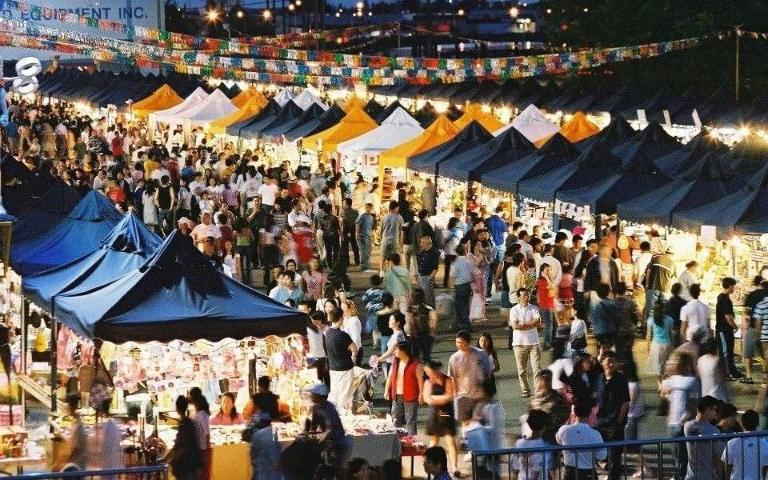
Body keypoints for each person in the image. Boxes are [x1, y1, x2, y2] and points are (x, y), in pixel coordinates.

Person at [661, 351, 699, 480]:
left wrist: (685, 419)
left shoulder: (692, 381)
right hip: (672, 423)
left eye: (675, 361)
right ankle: (679, 474)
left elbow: (694, 404)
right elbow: (668, 399)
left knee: (683, 455)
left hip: (683, 424)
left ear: (683, 364)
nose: (671, 364)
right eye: (670, 361)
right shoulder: (669, 380)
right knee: (676, 453)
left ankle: (681, 476)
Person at [595, 351, 630, 480]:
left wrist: (620, 419)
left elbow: (626, 401)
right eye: (608, 361)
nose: (611, 364)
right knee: (596, 453)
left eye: (613, 361)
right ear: (602, 362)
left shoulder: (621, 379)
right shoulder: (598, 378)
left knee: (615, 457)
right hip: (599, 422)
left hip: (614, 423)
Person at [448, 331, 492, 428]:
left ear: (468, 342)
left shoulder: (481, 354)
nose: (458, 345)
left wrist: (487, 391)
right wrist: (456, 395)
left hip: (480, 395)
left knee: (479, 422)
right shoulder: (454, 358)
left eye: (461, 342)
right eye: (457, 342)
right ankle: (467, 442)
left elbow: (488, 373)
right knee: (465, 423)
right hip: (463, 396)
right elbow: (453, 378)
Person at [423, 360, 458, 476]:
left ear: (435, 370)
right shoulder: (428, 382)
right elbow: (426, 398)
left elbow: (449, 396)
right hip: (434, 413)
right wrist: (440, 399)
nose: (428, 374)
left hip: (445, 412)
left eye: (429, 372)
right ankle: (429, 463)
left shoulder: (447, 379)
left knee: (450, 440)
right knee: (434, 440)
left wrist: (434, 399)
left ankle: (454, 467)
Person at [556, 402, 607, 480]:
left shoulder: (564, 430)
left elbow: (558, 441)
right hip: (588, 473)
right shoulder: (595, 434)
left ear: (574, 413)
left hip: (570, 473)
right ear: (589, 414)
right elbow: (602, 456)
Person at [384, 341, 424, 434]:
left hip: (410, 395)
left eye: (396, 350)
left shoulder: (416, 364)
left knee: (410, 420)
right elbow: (389, 376)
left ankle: (412, 442)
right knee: (395, 420)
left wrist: (421, 394)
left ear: (404, 351)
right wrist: (386, 390)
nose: (394, 352)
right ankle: (397, 441)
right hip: (396, 395)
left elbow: (420, 380)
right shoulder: (395, 361)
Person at [509, 288, 542, 398]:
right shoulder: (514, 310)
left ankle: (538, 390)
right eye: (523, 296)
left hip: (533, 342)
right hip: (519, 343)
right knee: (522, 369)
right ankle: (525, 390)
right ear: (519, 297)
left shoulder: (534, 308)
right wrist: (530, 324)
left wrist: (524, 324)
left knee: (536, 368)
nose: (526, 298)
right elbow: (515, 326)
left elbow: (538, 322)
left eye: (527, 295)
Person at [308, 383, 348, 471]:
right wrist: (310, 433)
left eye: (313, 394)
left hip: (336, 442)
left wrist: (321, 440)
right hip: (325, 439)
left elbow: (332, 430)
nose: (311, 396)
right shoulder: (316, 407)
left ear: (319, 397)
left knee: (334, 466)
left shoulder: (330, 410)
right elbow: (314, 424)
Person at [324, 308, 358, 414]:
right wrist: (353, 357)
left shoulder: (327, 333)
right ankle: (344, 418)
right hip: (345, 368)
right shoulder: (343, 335)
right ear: (341, 318)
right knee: (345, 395)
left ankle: (331, 416)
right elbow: (354, 349)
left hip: (333, 368)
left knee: (334, 393)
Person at [683, 396, 723, 480]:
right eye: (714, 409)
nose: (715, 413)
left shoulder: (688, 426)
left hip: (692, 476)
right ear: (708, 409)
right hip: (709, 475)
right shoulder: (714, 431)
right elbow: (718, 458)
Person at [721, 409, 768, 480]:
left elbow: (727, 466)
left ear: (742, 423)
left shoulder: (732, 443)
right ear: (758, 423)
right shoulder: (765, 445)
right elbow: (765, 468)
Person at [512, 409, 555, 480]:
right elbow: (547, 470)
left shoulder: (519, 443)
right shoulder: (546, 446)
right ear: (544, 426)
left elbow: (515, 467)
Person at [166, 396, 202, 480]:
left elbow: (181, 447)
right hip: (192, 467)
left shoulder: (184, 425)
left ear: (177, 409)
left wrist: (170, 460)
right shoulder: (190, 423)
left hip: (186, 469)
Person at [716, 277, 741, 379]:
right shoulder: (724, 299)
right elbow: (728, 317)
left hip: (726, 330)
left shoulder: (724, 298)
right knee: (725, 352)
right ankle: (727, 373)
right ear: (730, 286)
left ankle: (732, 371)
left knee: (729, 351)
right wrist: (735, 326)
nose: (734, 289)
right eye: (733, 286)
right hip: (723, 330)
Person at [249, 412, 282, 480]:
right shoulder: (271, 436)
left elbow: (252, 456)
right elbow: (275, 463)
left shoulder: (256, 434)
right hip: (270, 475)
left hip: (258, 473)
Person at [647, 300, 674, 380]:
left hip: (656, 345)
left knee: (658, 366)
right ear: (663, 309)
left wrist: (648, 349)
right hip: (667, 344)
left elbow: (648, 336)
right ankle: (665, 381)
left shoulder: (650, 320)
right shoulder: (669, 320)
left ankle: (660, 383)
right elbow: (671, 334)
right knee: (666, 365)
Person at [188, 386, 211, 480]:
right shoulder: (201, 413)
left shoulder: (201, 414)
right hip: (201, 449)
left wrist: (206, 452)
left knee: (203, 475)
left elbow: (207, 433)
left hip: (203, 449)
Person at [410, 288, 438, 362]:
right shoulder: (429, 307)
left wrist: (412, 333)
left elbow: (410, 322)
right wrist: (432, 333)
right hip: (427, 334)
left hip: (415, 335)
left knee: (415, 357)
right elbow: (434, 320)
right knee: (426, 356)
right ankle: (427, 371)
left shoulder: (410, 308)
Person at [450, 245, 474, 332]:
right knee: (466, 306)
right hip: (468, 285)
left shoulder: (455, 263)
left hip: (459, 286)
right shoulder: (469, 261)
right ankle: (462, 324)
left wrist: (450, 287)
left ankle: (465, 326)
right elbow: (472, 274)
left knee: (461, 306)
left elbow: (452, 276)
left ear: (456, 252)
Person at [414, 234, 440, 307]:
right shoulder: (422, 252)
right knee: (422, 296)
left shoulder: (434, 253)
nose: (420, 244)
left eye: (422, 242)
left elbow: (435, 268)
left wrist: (430, 278)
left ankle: (431, 312)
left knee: (429, 298)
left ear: (427, 243)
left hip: (427, 277)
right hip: (421, 276)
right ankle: (424, 312)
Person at [536, 264, 557, 351]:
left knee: (553, 325)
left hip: (549, 305)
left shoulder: (546, 280)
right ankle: (546, 345)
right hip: (546, 306)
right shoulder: (542, 280)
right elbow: (552, 288)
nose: (549, 271)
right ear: (542, 271)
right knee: (549, 326)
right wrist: (546, 277)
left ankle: (550, 343)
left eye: (549, 269)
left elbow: (553, 292)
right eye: (547, 270)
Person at [379, 200, 403, 274]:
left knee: (383, 256)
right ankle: (392, 272)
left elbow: (381, 230)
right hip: (394, 240)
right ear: (396, 208)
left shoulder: (384, 217)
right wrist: (400, 242)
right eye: (397, 208)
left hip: (385, 239)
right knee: (394, 257)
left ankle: (381, 272)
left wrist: (381, 239)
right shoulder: (399, 217)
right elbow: (401, 231)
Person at [355, 202, 375, 272]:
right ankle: (363, 266)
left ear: (371, 208)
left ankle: (365, 265)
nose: (368, 209)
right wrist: (357, 234)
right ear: (365, 208)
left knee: (368, 251)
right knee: (363, 251)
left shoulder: (371, 217)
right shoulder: (362, 216)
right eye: (367, 207)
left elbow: (371, 227)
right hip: (362, 236)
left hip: (369, 236)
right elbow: (357, 224)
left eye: (369, 207)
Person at [341, 198, 360, 267]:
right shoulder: (356, 212)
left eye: (343, 203)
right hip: (354, 230)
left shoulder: (343, 212)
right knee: (355, 245)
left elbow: (343, 223)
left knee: (345, 247)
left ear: (347, 204)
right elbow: (358, 222)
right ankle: (357, 261)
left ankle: (347, 262)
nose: (343, 204)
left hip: (346, 231)